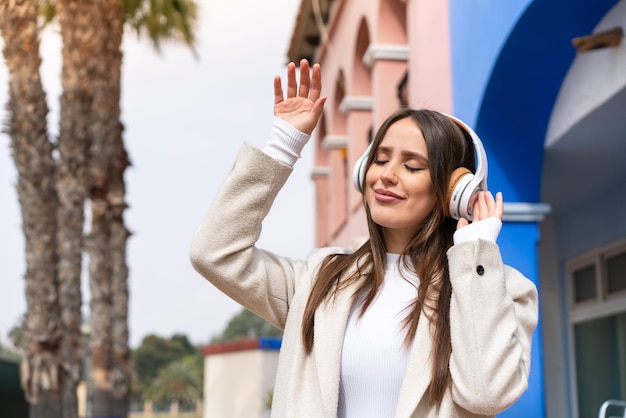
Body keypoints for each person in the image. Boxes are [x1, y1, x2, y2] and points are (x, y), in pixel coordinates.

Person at [189, 59, 538, 418]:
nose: (386, 175)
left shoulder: (500, 290)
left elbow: (486, 395)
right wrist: (283, 145)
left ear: (453, 193)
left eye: (412, 166)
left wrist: (475, 256)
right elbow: (214, 252)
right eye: (380, 159)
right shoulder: (319, 279)